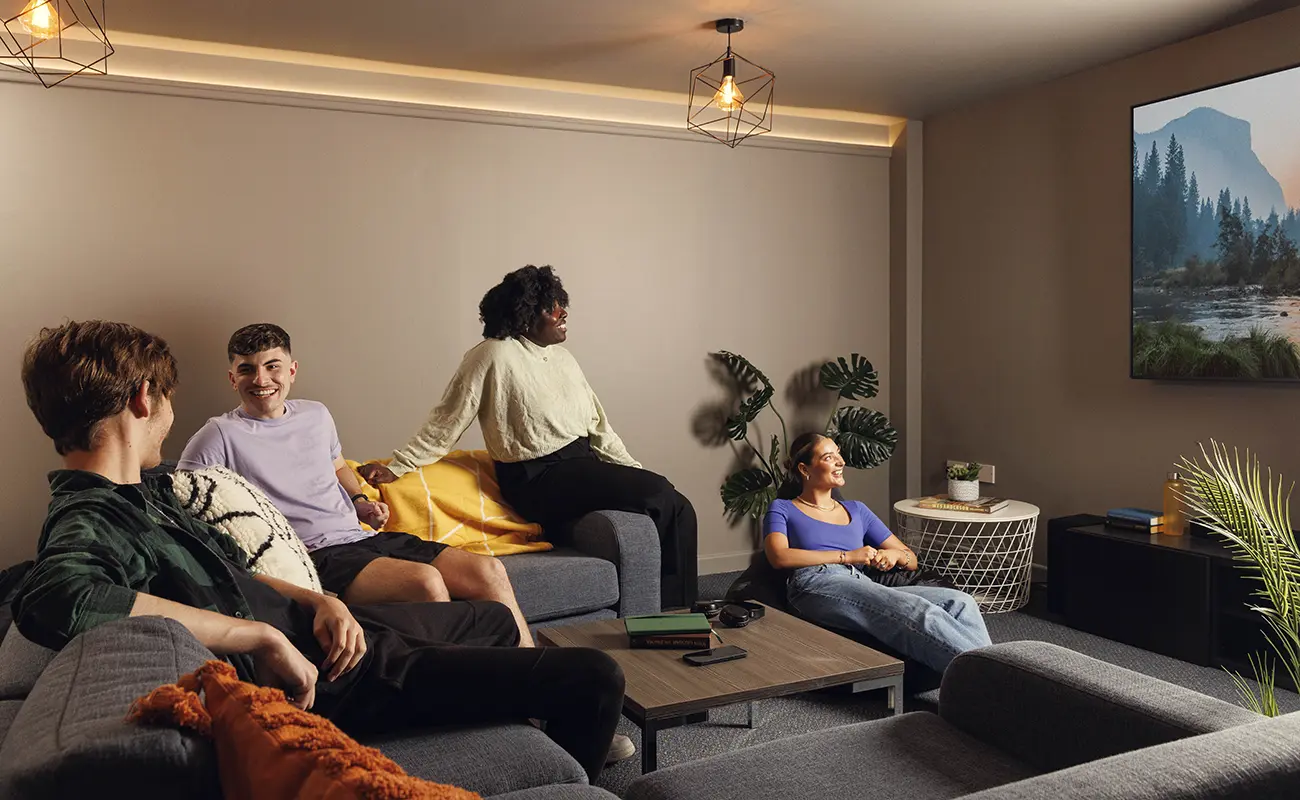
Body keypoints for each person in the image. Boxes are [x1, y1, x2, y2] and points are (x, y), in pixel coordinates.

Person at [12, 320, 629, 779]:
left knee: (493, 614)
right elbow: (53, 597)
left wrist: (315, 599)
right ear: (145, 399)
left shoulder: (146, 492)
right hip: (330, 677)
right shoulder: (90, 513)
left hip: (326, 625)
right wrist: (261, 636)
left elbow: (228, 570)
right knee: (596, 678)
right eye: (168, 399)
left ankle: (516, 712)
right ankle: (560, 777)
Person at [359, 265, 698, 609]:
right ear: (524, 316)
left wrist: (632, 471)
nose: (563, 312)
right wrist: (399, 466)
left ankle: (685, 613)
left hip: (580, 465)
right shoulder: (492, 354)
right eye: (551, 307)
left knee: (680, 506)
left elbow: (600, 429)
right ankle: (667, 617)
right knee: (658, 492)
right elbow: (447, 419)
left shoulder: (564, 360)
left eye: (561, 304)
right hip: (537, 477)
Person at [178, 323, 535, 647]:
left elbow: (336, 467)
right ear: (231, 378)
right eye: (247, 369)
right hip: (316, 554)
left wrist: (361, 500)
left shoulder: (316, 414)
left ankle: (530, 678)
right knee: (424, 583)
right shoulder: (219, 435)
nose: (261, 379)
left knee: (488, 570)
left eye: (272, 366)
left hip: (361, 538)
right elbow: (183, 504)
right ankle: (462, 683)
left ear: (292, 370)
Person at [764, 432, 992, 674]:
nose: (841, 462)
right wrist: (849, 556)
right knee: (916, 611)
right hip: (815, 581)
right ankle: (995, 680)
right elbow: (779, 556)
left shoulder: (857, 510)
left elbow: (911, 559)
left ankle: (992, 677)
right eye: (830, 457)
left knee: (960, 602)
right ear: (805, 469)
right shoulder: (784, 508)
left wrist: (894, 556)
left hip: (859, 580)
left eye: (839, 454)